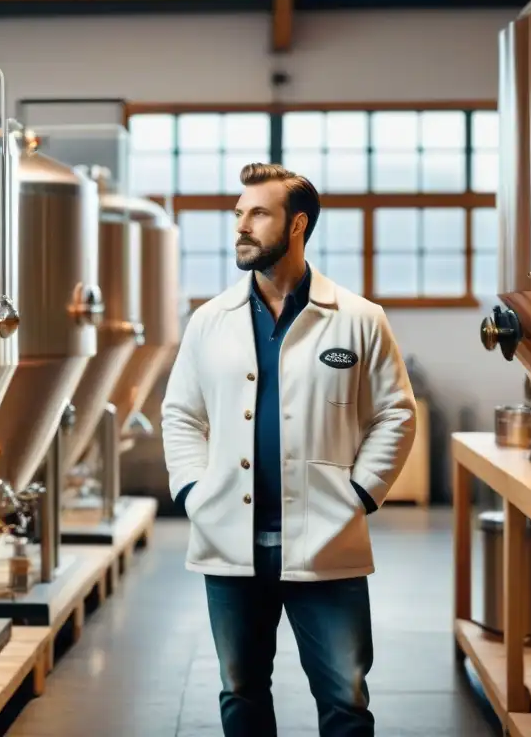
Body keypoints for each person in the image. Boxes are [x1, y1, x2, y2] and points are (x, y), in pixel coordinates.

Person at [161, 163, 417, 737]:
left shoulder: (359, 319)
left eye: (257, 214)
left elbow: (396, 413)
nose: (241, 227)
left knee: (346, 700)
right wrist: (194, 491)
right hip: (229, 540)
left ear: (297, 224)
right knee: (242, 692)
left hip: (327, 539)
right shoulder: (209, 321)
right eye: (238, 214)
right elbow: (180, 413)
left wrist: (359, 494)